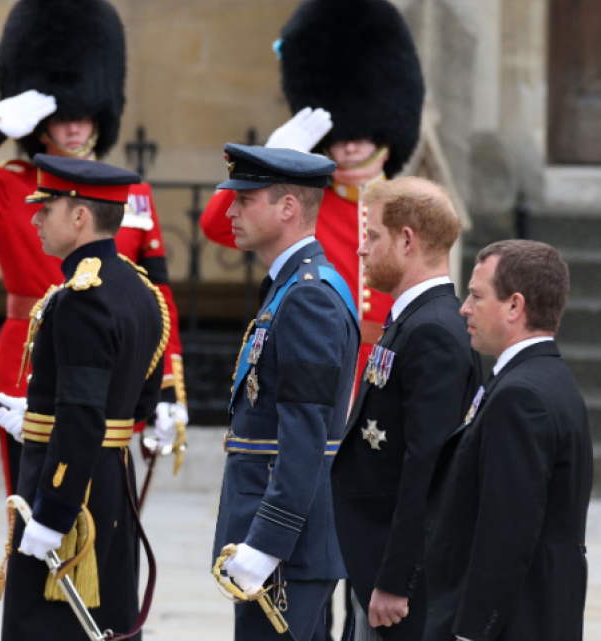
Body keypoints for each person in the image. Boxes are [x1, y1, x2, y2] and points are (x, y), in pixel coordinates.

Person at [0, 0, 187, 496]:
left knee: (108, 520)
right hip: (29, 363)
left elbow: (157, 296)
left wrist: (167, 384)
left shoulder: (131, 191)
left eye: (85, 112)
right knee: (31, 513)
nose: (75, 124)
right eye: (62, 113)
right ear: (40, 118)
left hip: (115, 365)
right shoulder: (6, 186)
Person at [200, 0, 424, 378]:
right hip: (312, 368)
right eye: (340, 136)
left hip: (387, 374)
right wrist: (269, 162)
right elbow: (217, 225)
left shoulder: (415, 208)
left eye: (362, 135)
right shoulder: (304, 201)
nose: (350, 146)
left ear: (386, 133)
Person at [0, 155, 167, 640]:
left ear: (79, 216)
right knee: (108, 616)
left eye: (46, 208)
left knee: (47, 627)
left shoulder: (82, 297)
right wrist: (36, 414)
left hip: (74, 492)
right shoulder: (140, 289)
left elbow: (82, 416)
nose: (35, 218)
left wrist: (53, 513)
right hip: (111, 479)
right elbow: (134, 403)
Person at [211, 144, 359, 641]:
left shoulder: (308, 297)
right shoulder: (293, 287)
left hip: (285, 547)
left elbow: (305, 430)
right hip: (283, 540)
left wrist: (268, 542)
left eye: (244, 199)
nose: (230, 210)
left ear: (288, 208)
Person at [330, 178, 481, 641]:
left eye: (372, 236)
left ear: (407, 240)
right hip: (372, 559)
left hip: (395, 580)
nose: (361, 249)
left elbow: (427, 468)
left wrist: (397, 579)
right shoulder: (412, 320)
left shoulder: (433, 330)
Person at [425, 240, 590, 641]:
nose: (464, 307)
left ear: (515, 306)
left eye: (477, 296)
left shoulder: (522, 396)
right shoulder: (548, 378)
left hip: (514, 623)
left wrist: (470, 631)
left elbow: (507, 530)